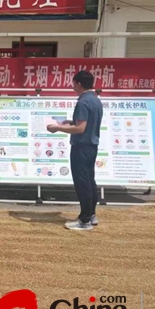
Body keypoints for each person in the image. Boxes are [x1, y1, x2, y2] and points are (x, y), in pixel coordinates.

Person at [46, 70, 103, 231]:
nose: (72, 87)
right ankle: (91, 215)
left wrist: (57, 128)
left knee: (82, 182)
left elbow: (80, 128)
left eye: (73, 83)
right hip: (91, 146)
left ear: (79, 84)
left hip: (81, 146)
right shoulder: (95, 100)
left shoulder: (83, 102)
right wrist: (70, 122)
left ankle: (84, 220)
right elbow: (85, 123)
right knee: (89, 181)